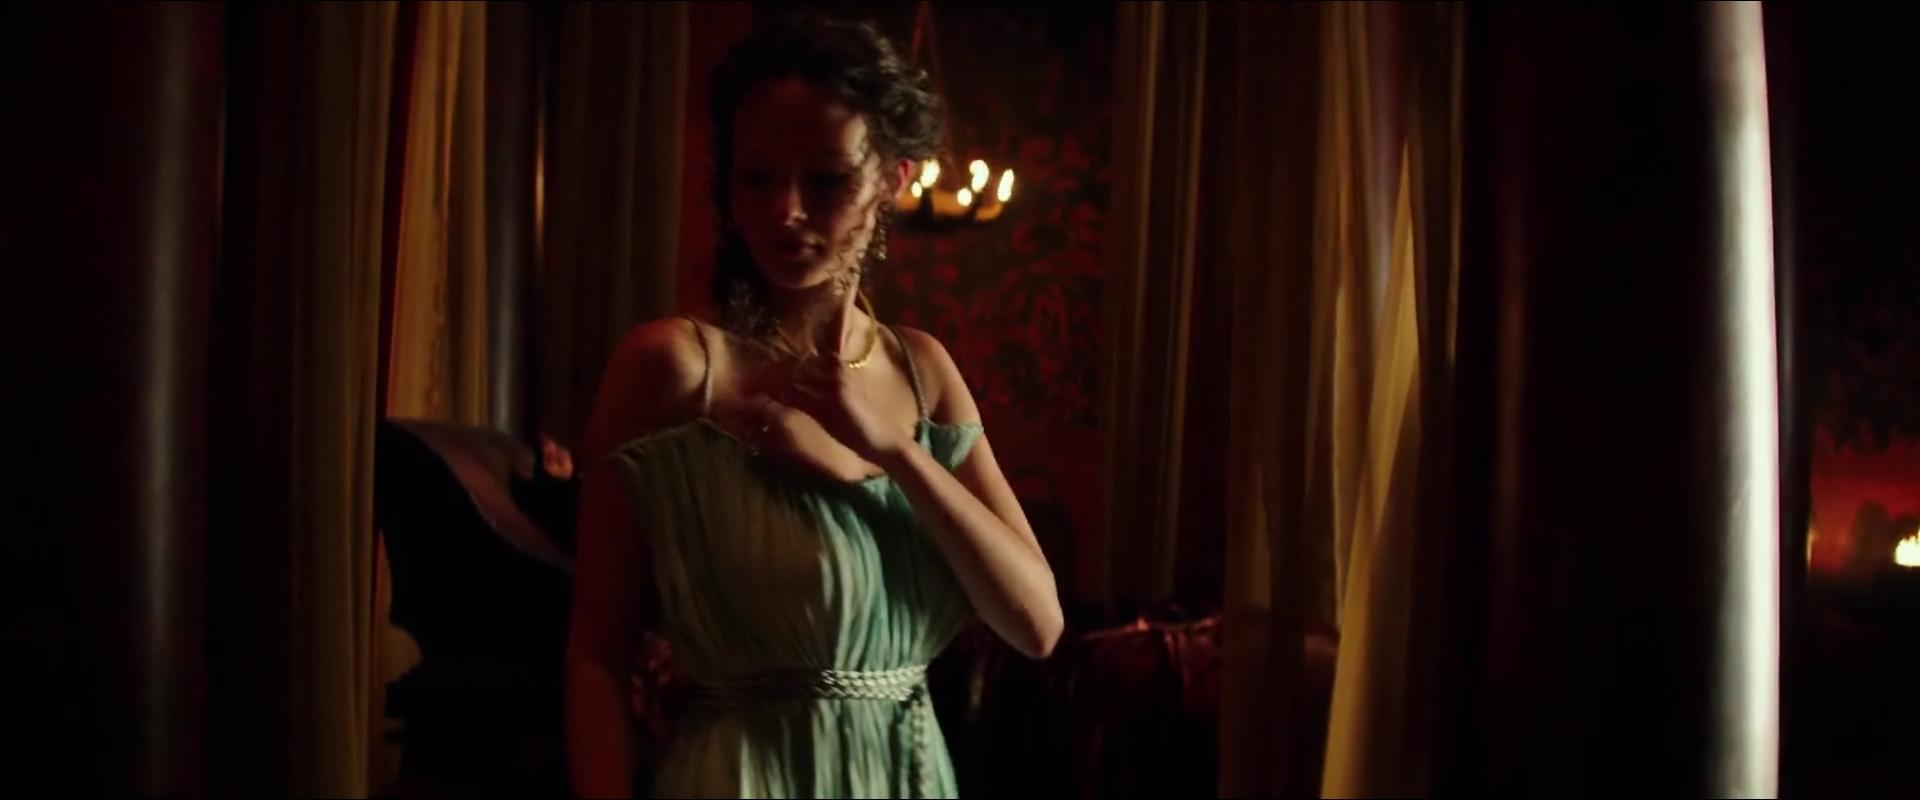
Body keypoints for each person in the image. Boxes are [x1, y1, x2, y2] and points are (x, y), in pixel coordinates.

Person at [563, 17, 1063, 799]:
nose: (786, 211)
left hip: (905, 776)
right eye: (757, 178)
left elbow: (1036, 625)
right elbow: (596, 656)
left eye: (827, 180)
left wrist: (894, 450)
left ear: (893, 179)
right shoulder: (673, 370)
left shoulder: (921, 371)